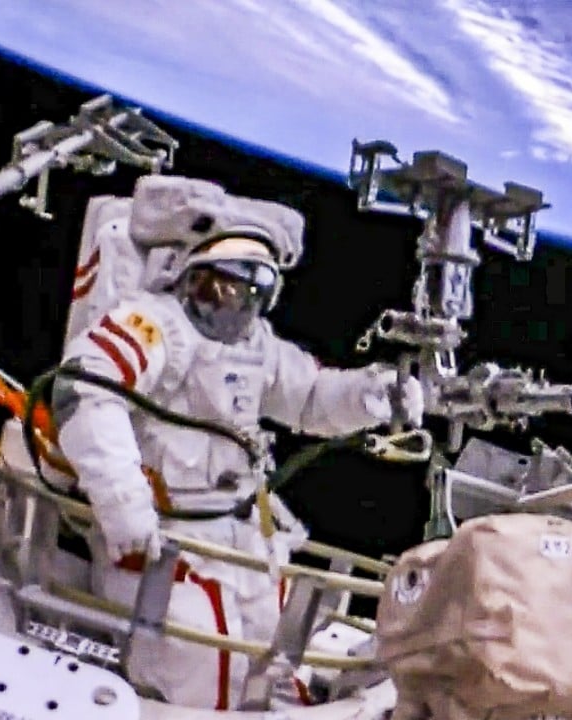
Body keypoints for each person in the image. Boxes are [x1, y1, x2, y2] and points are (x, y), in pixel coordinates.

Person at [50, 182, 423, 710]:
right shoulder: (153, 323)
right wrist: (122, 502)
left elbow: (310, 397)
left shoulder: (257, 346)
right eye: (219, 285)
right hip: (157, 539)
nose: (231, 303)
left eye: (248, 290)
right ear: (189, 276)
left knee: (273, 644)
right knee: (200, 654)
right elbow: (85, 389)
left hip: (238, 537)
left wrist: (371, 394)